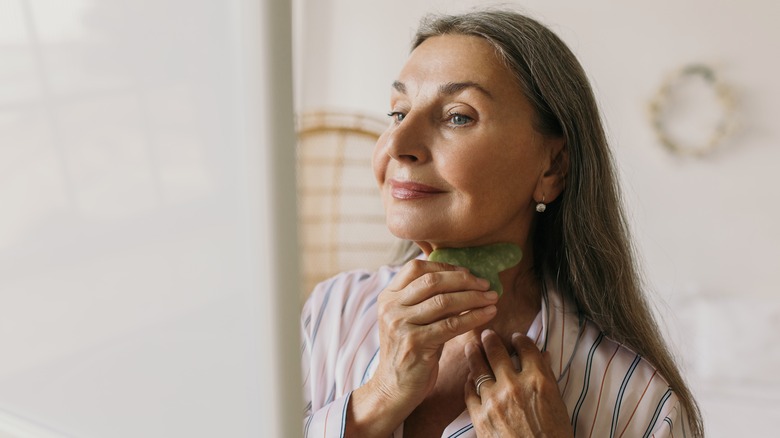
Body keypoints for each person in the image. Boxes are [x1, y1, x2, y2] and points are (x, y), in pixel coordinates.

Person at [301, 8, 704, 438]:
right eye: (398, 113)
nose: (398, 144)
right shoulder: (331, 311)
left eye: (458, 116)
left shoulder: (643, 405)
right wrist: (380, 397)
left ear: (552, 168)